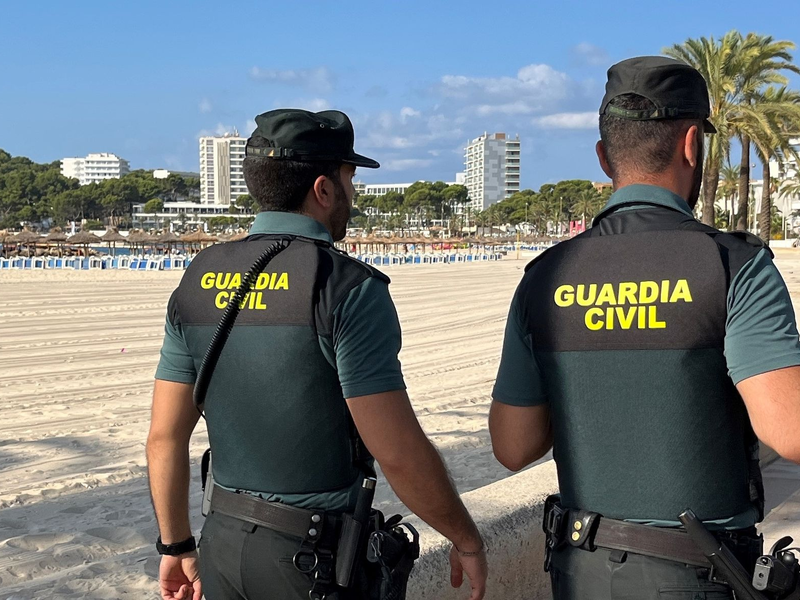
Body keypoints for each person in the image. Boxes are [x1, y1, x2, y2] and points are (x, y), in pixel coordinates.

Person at [489, 56, 800, 600]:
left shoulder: (543, 278)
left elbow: (514, 447)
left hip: (579, 572)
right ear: (691, 145)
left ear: (605, 156)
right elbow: (789, 431)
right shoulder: (732, 265)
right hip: (700, 575)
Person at [146, 108, 487, 600]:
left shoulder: (199, 278)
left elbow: (163, 438)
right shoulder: (346, 286)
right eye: (350, 178)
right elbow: (397, 452)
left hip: (222, 543)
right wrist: (466, 538)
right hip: (311, 560)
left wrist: (175, 544)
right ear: (324, 189)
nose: (354, 193)